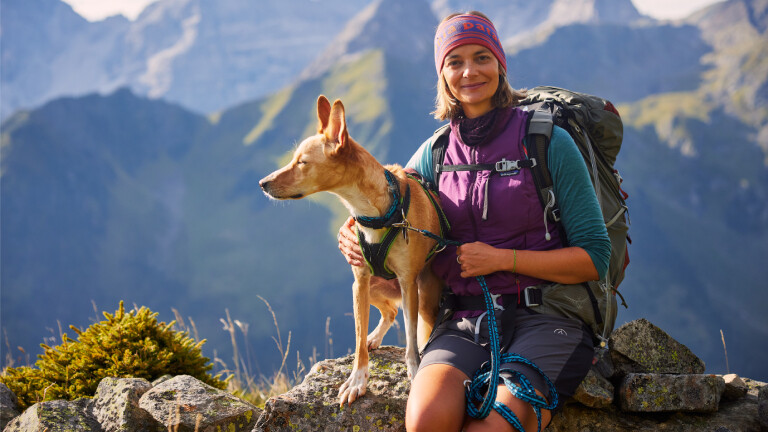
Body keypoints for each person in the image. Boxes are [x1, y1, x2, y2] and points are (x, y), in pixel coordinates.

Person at [337, 11, 610, 432]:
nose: (469, 71)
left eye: (482, 57)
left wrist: (502, 259)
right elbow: (388, 202)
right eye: (455, 61)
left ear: (500, 64)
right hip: (465, 319)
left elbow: (595, 258)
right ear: (442, 75)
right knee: (425, 421)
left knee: (495, 426)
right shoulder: (435, 153)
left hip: (550, 315)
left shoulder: (547, 140)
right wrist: (356, 233)